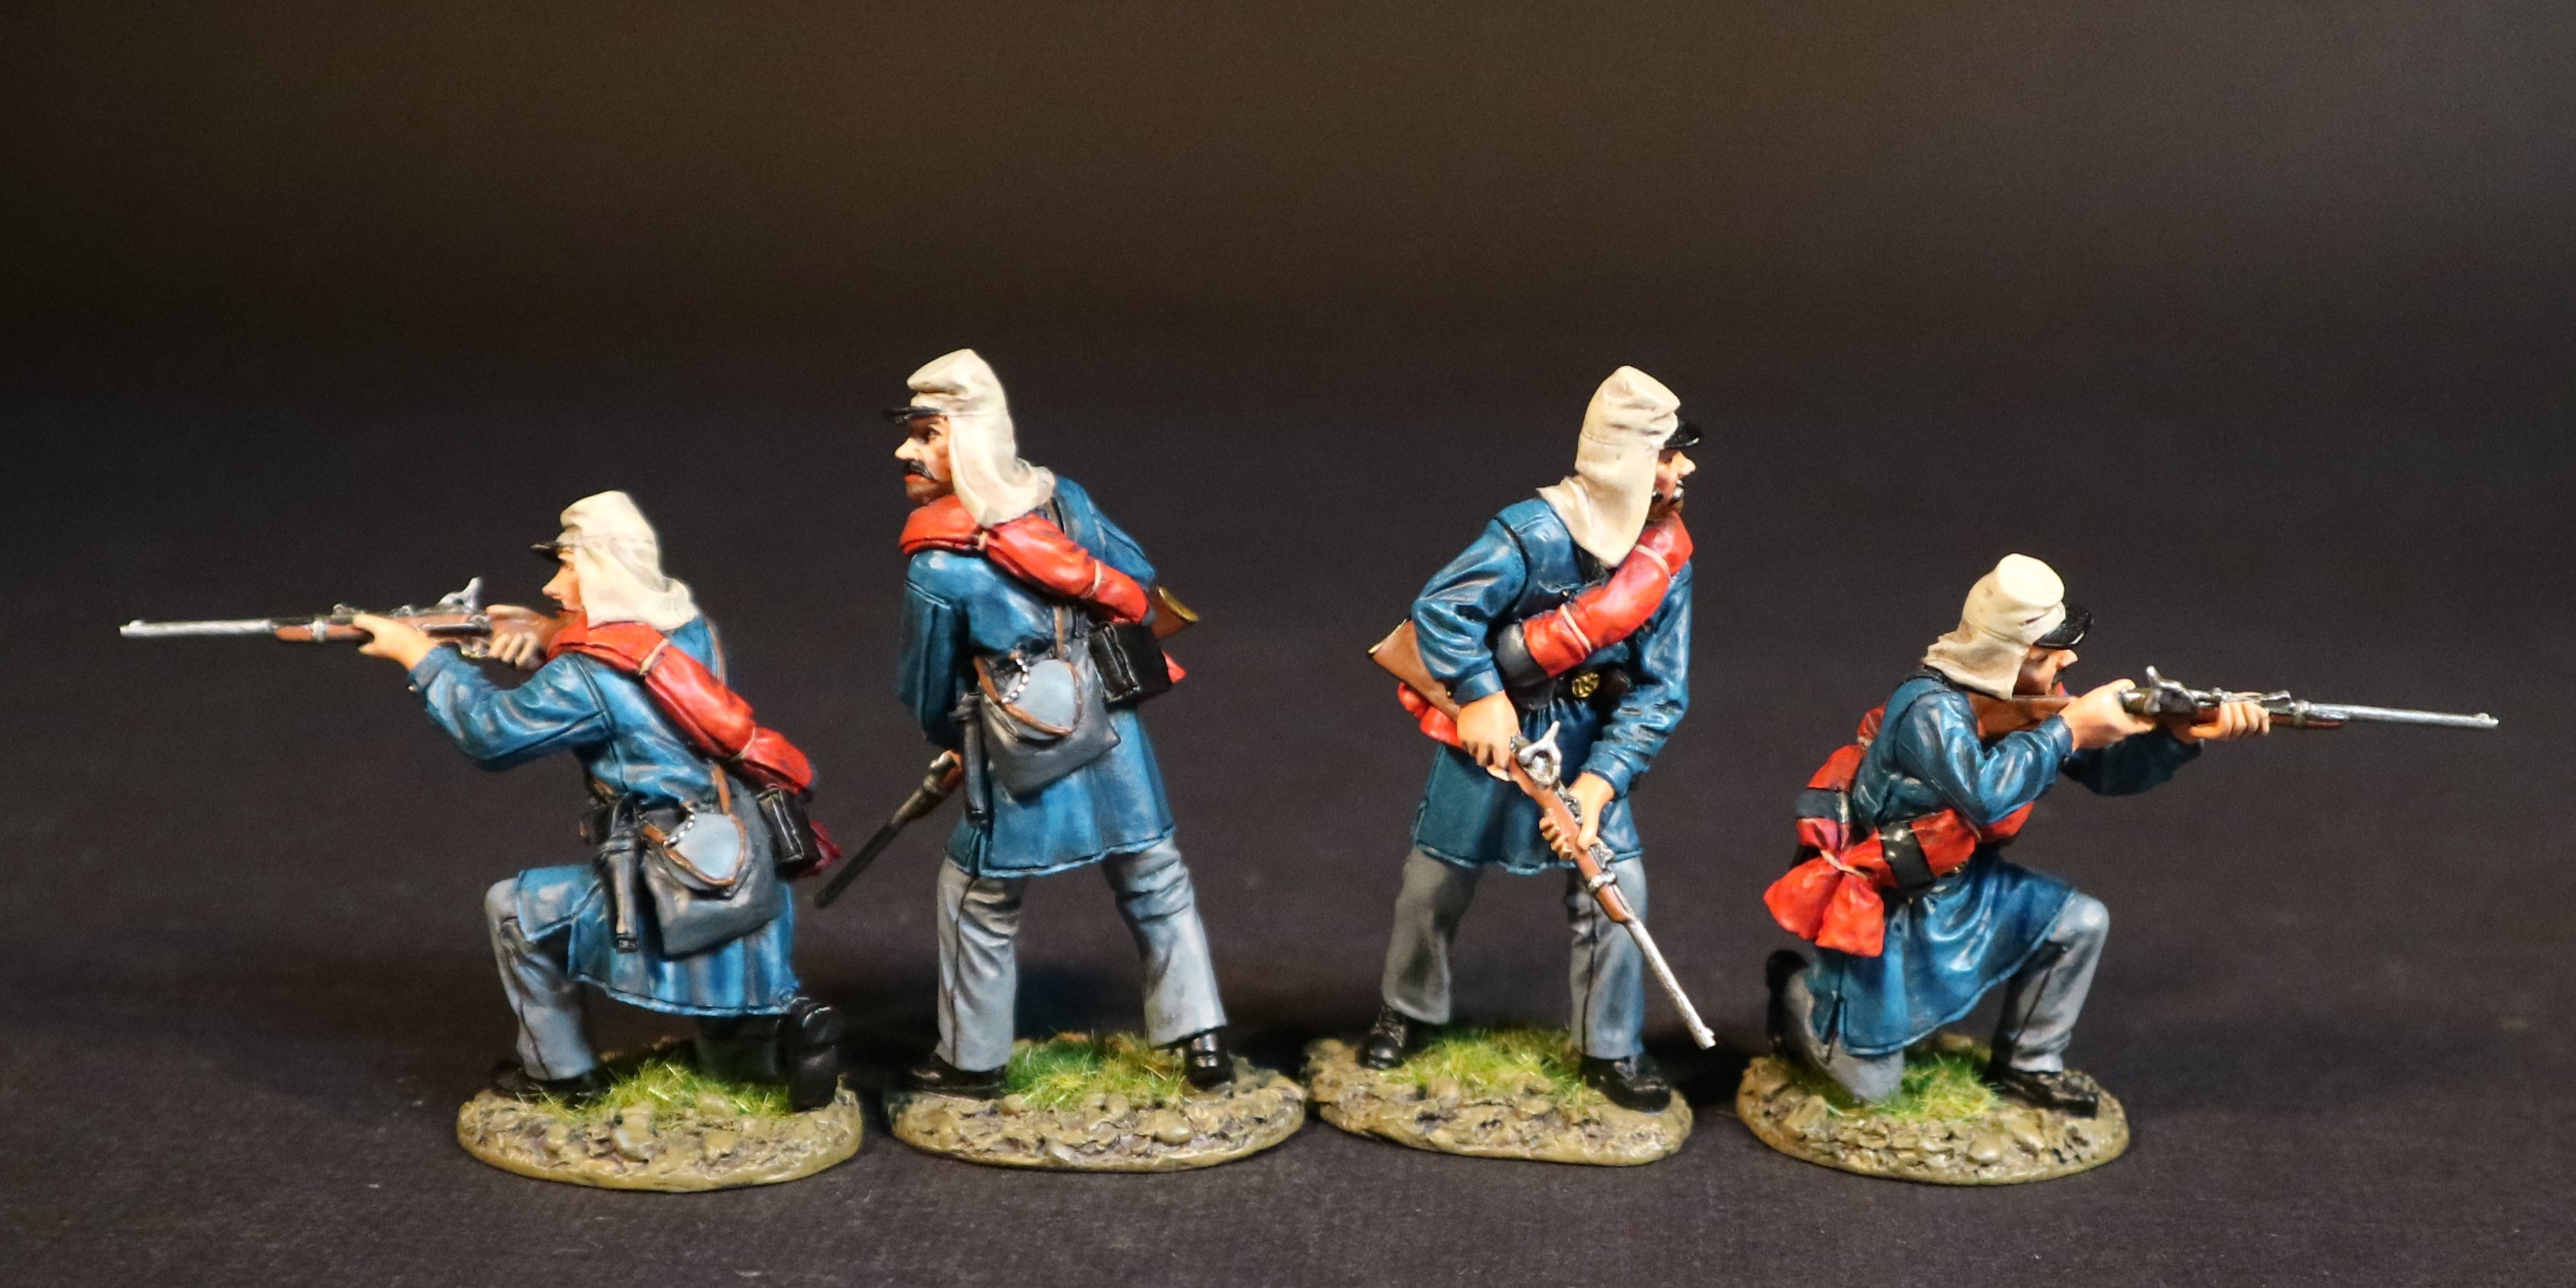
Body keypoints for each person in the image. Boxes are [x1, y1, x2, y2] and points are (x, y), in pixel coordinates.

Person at [352, 492, 841, 1108]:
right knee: (735, 1009)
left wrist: (421, 656)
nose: (553, 587)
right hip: (739, 847)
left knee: (514, 911)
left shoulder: (583, 676)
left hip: (664, 868)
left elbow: (491, 734)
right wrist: (552, 635)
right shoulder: (691, 629)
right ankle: (760, 1055)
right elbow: (631, 660)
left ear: (605, 573)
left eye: (568, 568)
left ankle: (559, 1076)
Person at [1764, 554, 2267, 1115]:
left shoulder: (2032, 703)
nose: (2069, 658)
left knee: (2079, 922)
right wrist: (2070, 728)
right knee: (1870, 1090)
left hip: (1966, 885)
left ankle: (2031, 1061)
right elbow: (1983, 792)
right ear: (2008, 655)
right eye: (2049, 652)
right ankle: (1798, 993)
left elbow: (2109, 773)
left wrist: (2180, 736)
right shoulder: (1927, 709)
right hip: (1892, 901)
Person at [888, 348, 1233, 1097]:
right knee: (1155, 877)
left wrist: (952, 744)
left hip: (1014, 750)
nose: (904, 453)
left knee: (976, 897)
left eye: (925, 434)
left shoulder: (937, 563)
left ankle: (972, 1060)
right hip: (1111, 728)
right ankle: (1201, 1040)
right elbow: (1138, 575)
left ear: (968, 438)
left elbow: (925, 682)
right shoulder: (1065, 503)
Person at [1361, 366, 1698, 1112]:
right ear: (1630, 461)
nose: (1685, 470)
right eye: (1670, 454)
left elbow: (1660, 690)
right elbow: (1442, 610)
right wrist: (1480, 696)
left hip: (1585, 742)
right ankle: (1406, 1009)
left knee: (1615, 890)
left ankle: (1609, 1045)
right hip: (1490, 740)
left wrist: (1598, 785)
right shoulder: (1530, 534)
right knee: (1432, 883)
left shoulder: (1663, 560)